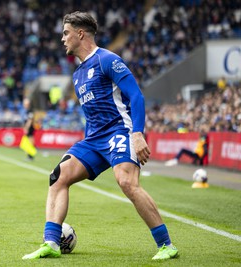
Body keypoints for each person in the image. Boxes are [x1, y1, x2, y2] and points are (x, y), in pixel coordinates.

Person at [22, 11, 178, 261]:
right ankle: (51, 242)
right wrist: (84, 148)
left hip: (119, 131)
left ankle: (166, 245)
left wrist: (137, 134)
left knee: (126, 182)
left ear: (80, 34)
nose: (62, 39)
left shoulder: (108, 60)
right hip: (93, 140)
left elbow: (136, 96)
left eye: (66, 33)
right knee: (58, 178)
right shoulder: (77, 75)